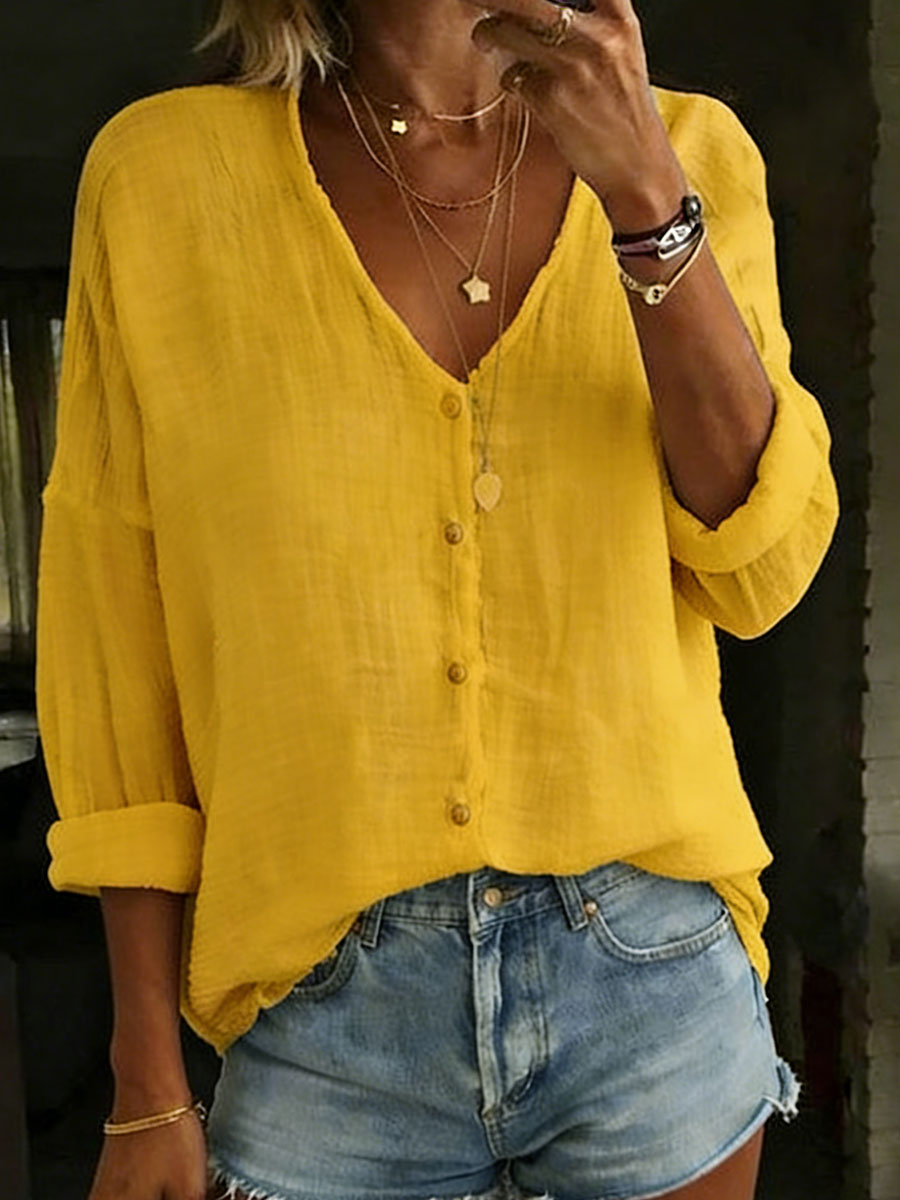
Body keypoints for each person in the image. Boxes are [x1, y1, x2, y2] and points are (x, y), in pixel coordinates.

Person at [34, 0, 839, 1198]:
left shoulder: (689, 149)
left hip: (650, 981)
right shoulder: (162, 178)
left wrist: (645, 199)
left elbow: (758, 570)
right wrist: (144, 1070)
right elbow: (115, 628)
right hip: (323, 1014)